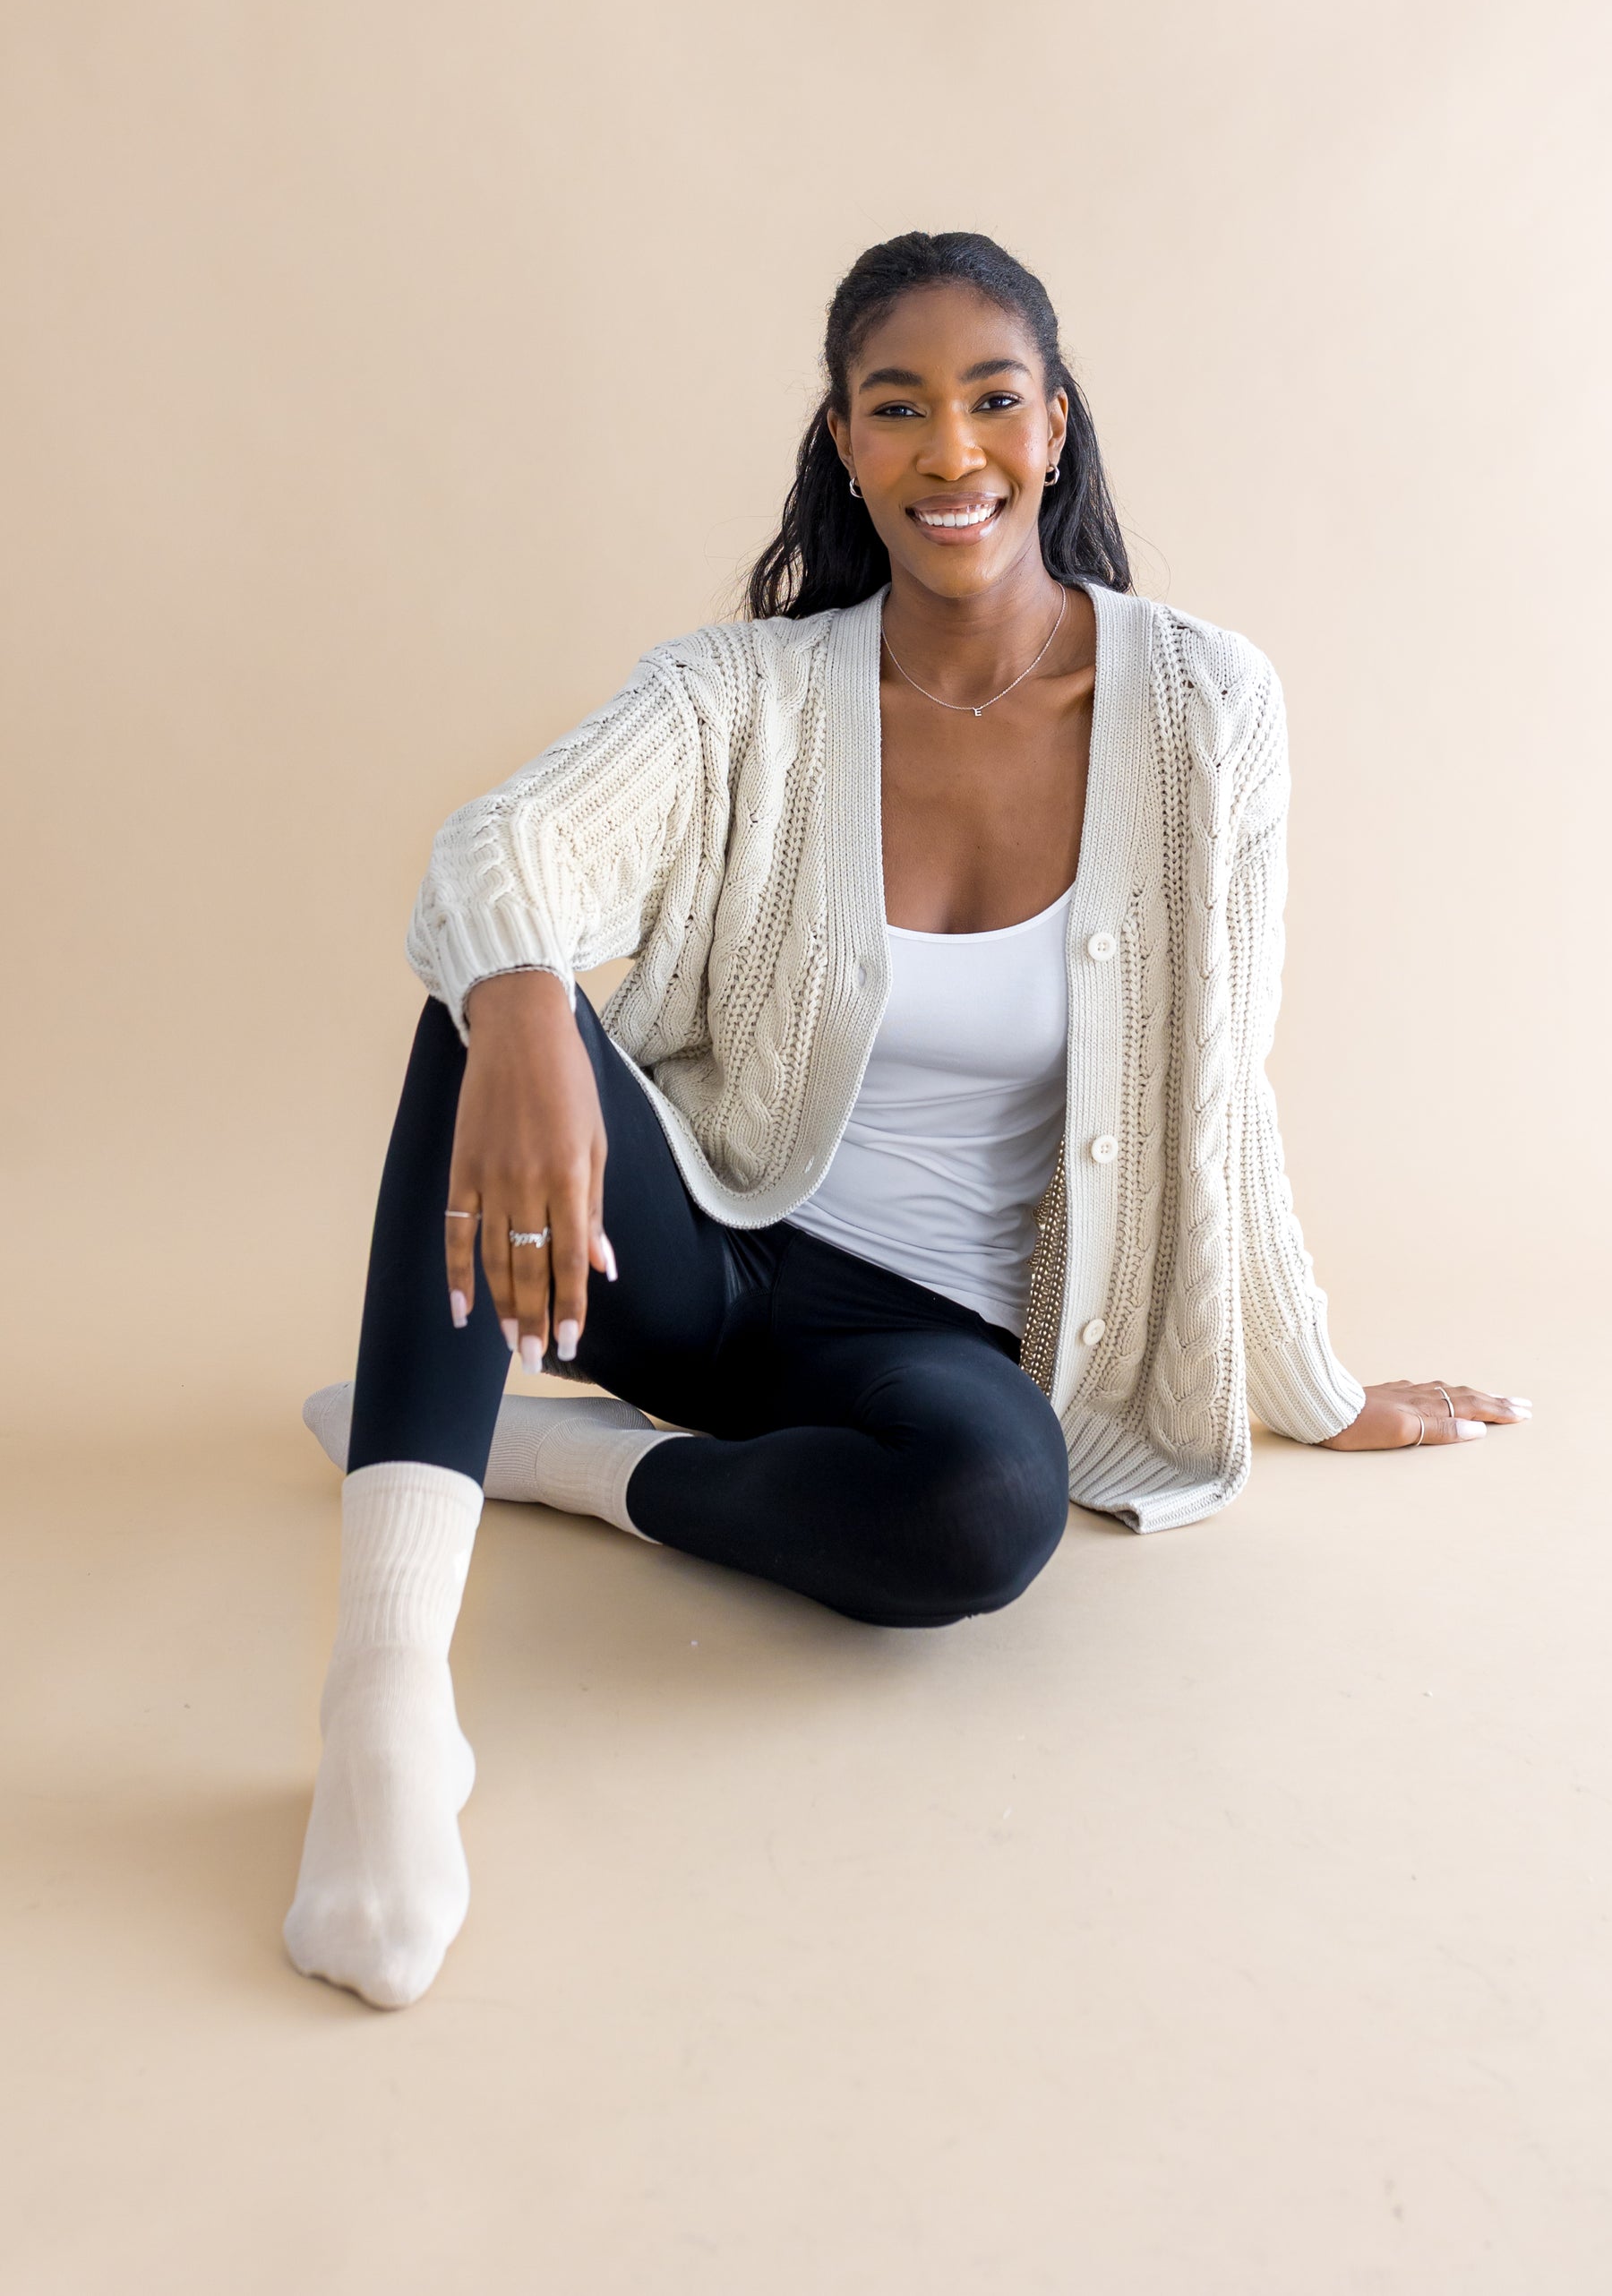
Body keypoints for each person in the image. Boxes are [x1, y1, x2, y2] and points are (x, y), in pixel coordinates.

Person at [284, 230, 1529, 2010]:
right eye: (902, 409)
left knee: (985, 1517)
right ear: (849, 446)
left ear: (1056, 425)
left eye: (993, 399)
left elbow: (1216, 1088)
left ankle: (574, 1461)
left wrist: (1314, 1387)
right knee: (485, 997)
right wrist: (526, 1002)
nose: (955, 451)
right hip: (684, 1253)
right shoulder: (752, 697)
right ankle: (387, 1700)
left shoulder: (1204, 709)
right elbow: (507, 848)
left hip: (921, 1337)